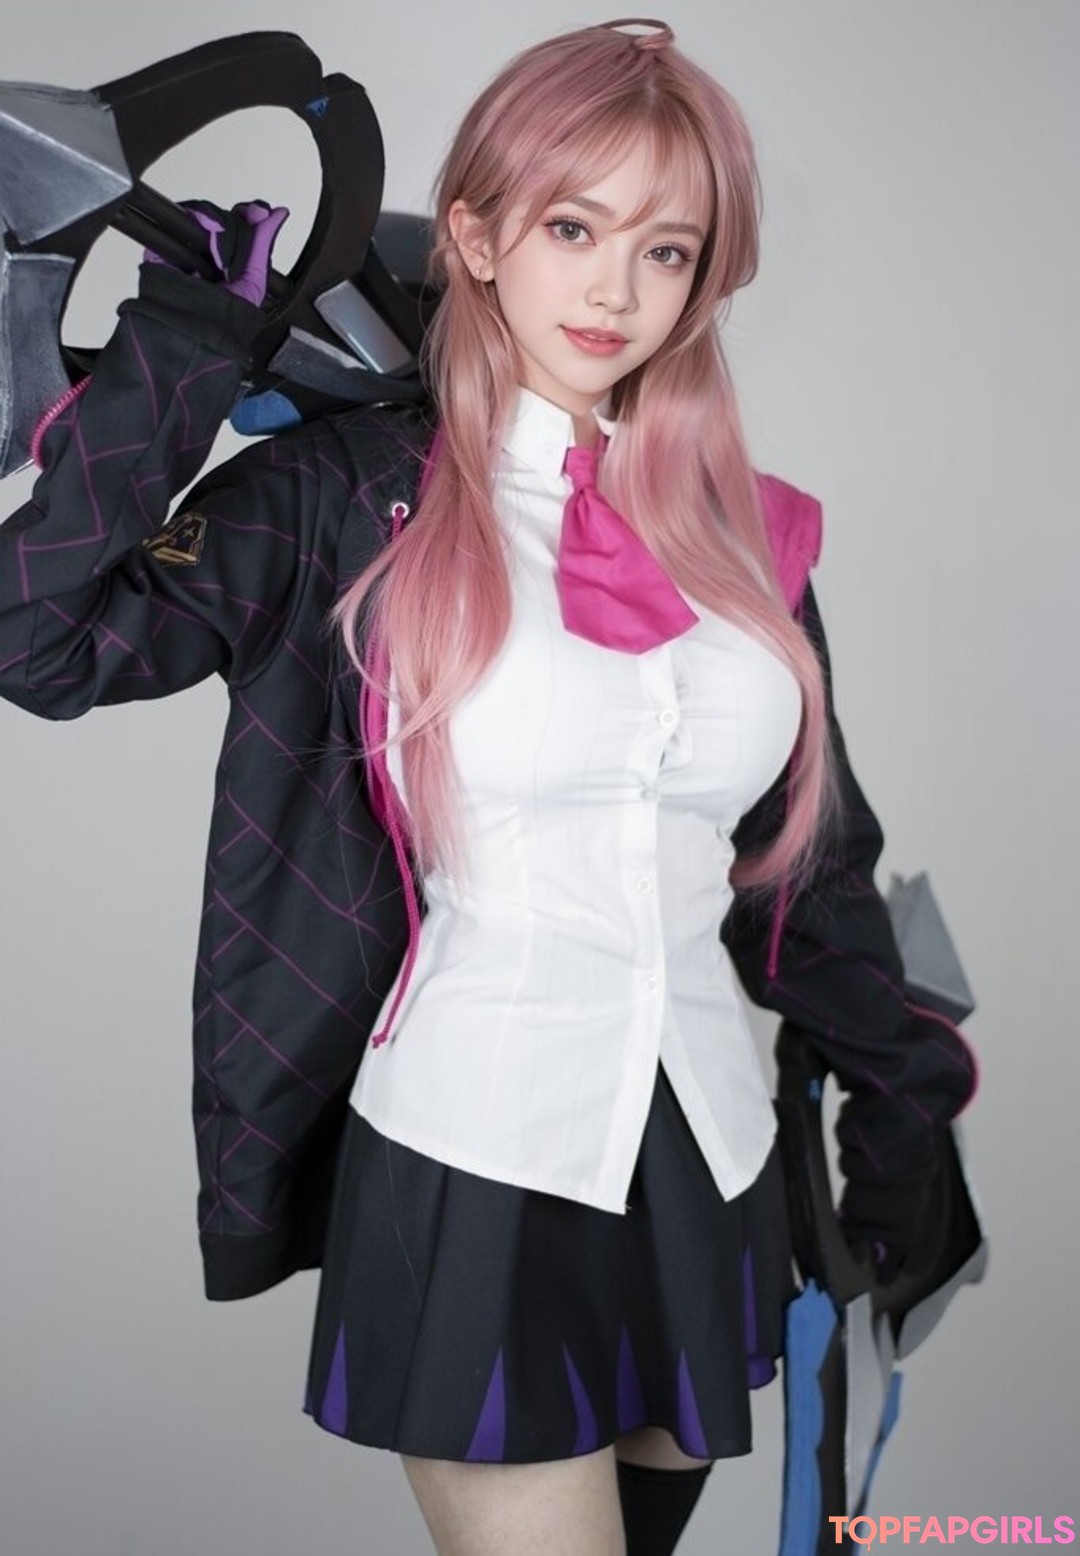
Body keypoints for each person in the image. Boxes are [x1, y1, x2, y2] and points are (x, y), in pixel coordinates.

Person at [0, 18, 976, 1556]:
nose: (616, 292)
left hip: (705, 1159)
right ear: (475, 234)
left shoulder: (747, 536)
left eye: (666, 250)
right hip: (477, 1160)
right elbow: (35, 638)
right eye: (574, 229)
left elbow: (807, 865)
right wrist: (179, 353)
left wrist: (909, 1107)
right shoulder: (348, 501)